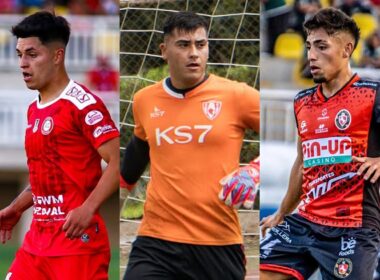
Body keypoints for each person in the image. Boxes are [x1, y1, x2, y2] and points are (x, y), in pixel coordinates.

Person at [120, 11, 260, 280]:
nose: (194, 53)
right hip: (156, 241)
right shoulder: (144, 100)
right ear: (164, 50)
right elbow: (139, 149)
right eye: (184, 45)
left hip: (218, 242)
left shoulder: (237, 95)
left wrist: (254, 169)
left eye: (201, 44)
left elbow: (295, 126)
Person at [260, 7, 380, 280]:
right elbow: (302, 164)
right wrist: (281, 213)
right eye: (309, 46)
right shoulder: (302, 101)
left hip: (353, 227)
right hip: (305, 221)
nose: (311, 55)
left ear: (346, 49)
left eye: (321, 46)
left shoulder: (372, 95)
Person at [0, 11, 119, 280]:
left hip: (76, 246)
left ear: (57, 55)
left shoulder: (83, 105)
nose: (22, 63)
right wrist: (17, 207)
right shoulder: (35, 110)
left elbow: (117, 160)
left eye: (32, 54)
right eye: (19, 55)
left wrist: (88, 209)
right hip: (36, 245)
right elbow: (51, 176)